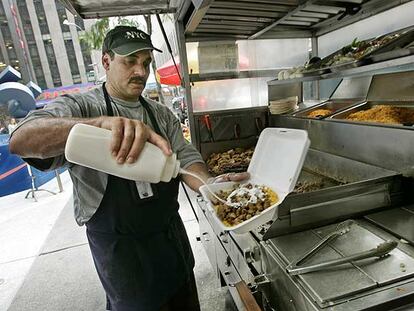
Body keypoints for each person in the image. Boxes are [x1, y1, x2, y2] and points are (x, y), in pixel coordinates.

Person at [9, 26, 248, 311]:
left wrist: (212, 187)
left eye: (146, 63)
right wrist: (96, 125)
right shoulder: (81, 106)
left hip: (170, 241)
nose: (140, 71)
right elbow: (21, 140)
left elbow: (186, 159)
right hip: (122, 255)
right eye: (130, 61)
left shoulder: (161, 114)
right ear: (106, 62)